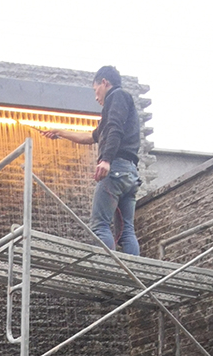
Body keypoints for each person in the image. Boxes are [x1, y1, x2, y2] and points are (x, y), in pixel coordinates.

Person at [43, 65, 141, 255]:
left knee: (100, 225)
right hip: (130, 174)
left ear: (104, 82)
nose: (96, 97)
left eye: (96, 90)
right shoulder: (120, 105)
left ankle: (107, 269)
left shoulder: (117, 96)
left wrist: (106, 160)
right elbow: (90, 137)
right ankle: (132, 271)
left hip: (115, 169)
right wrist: (60, 132)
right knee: (126, 230)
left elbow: (115, 128)